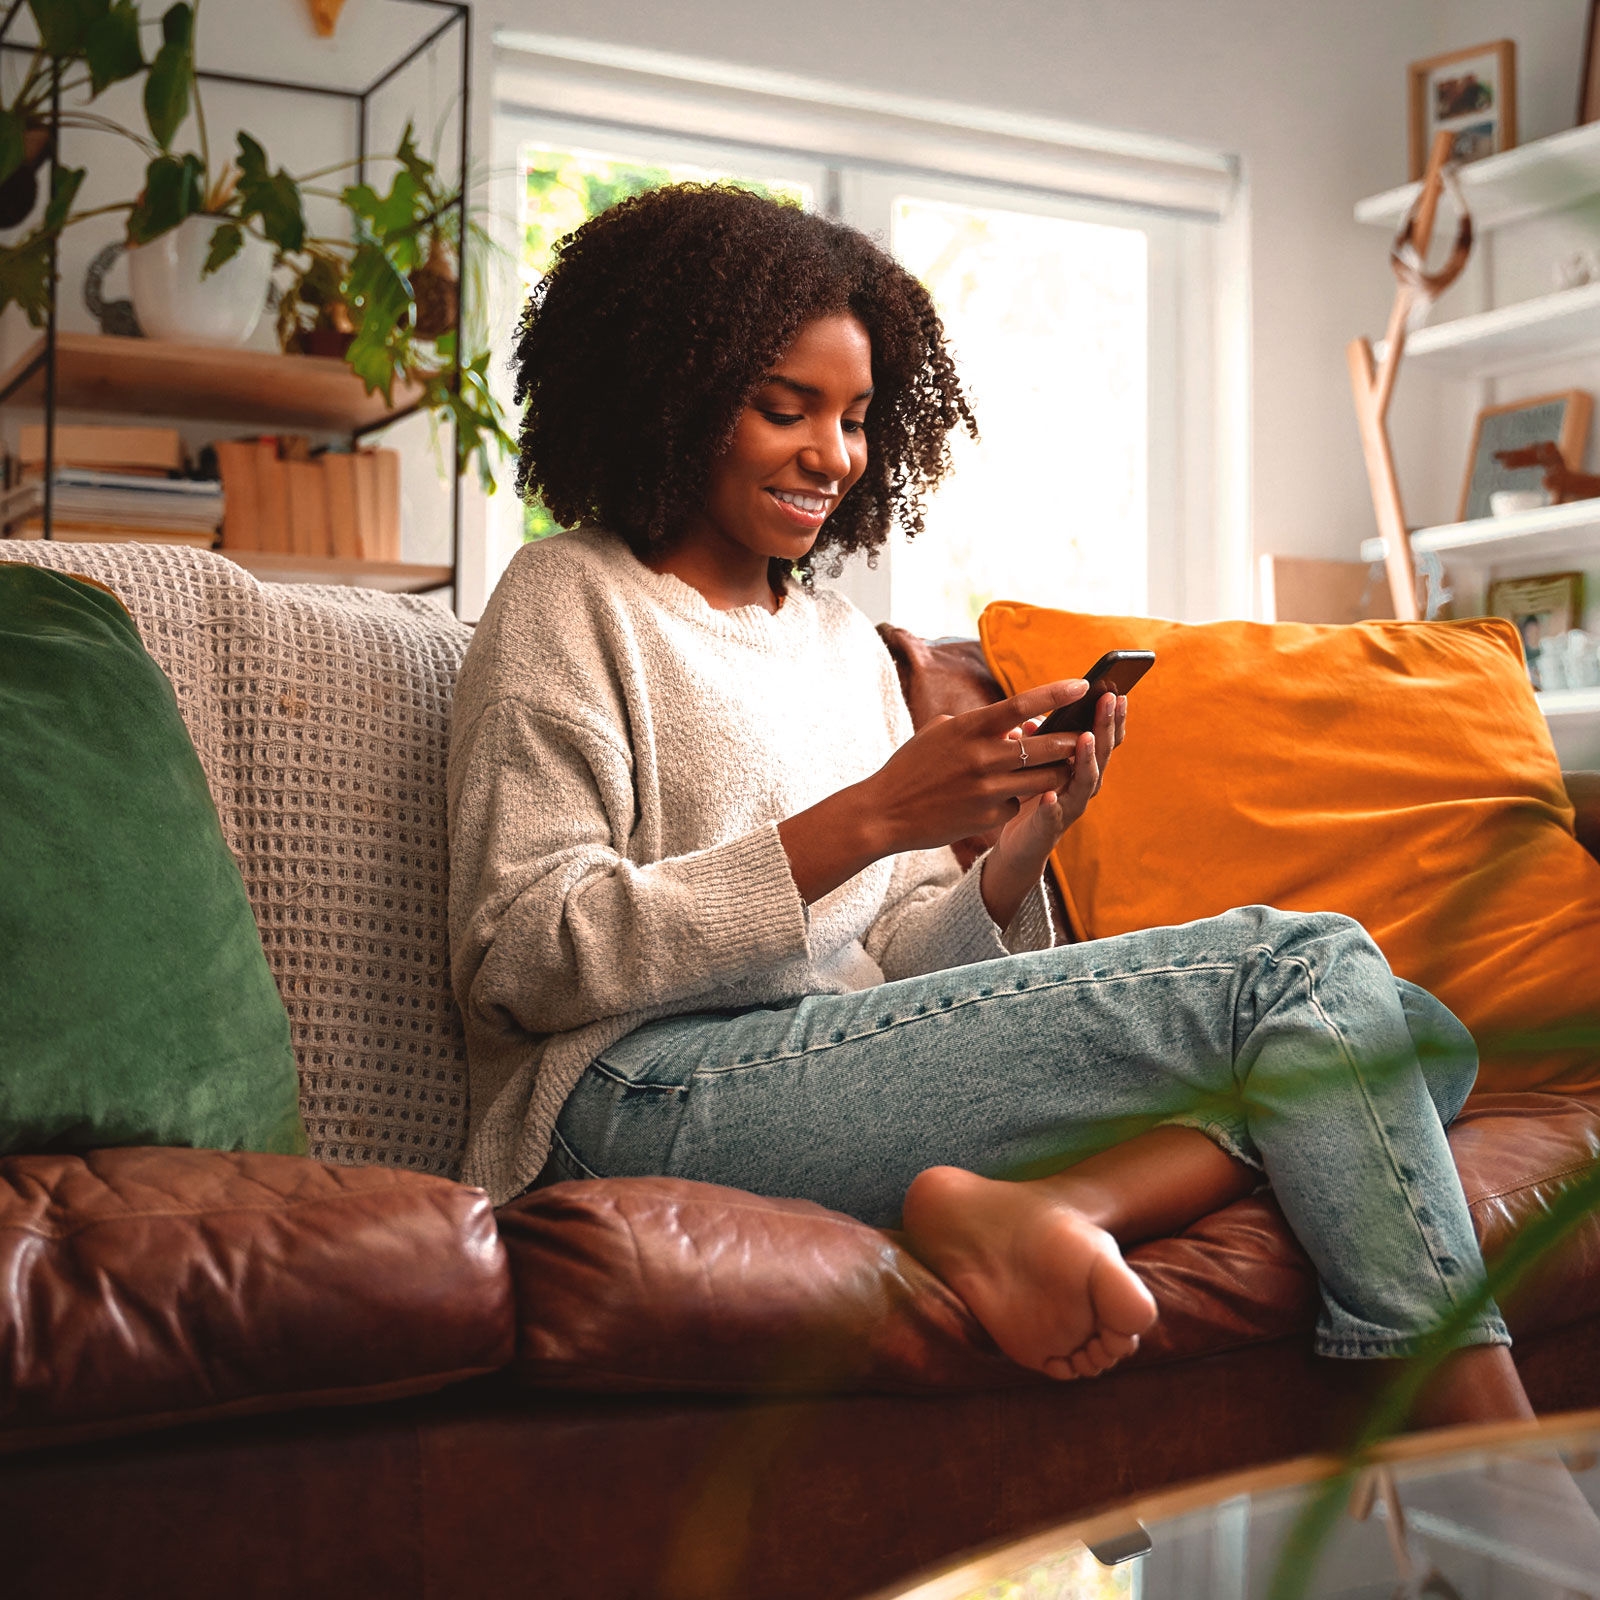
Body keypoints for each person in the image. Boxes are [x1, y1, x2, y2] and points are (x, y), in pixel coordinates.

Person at [446, 183, 1531, 1419]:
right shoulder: (567, 598)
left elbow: (902, 959)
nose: (833, 457)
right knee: (1308, 977)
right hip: (630, 1097)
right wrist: (865, 817)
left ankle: (1058, 1208)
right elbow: (519, 951)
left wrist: (1019, 847)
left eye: (855, 419)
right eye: (782, 409)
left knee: (1411, 1027)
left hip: (822, 1072)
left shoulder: (841, 645)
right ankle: (1485, 1467)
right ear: (672, 393)